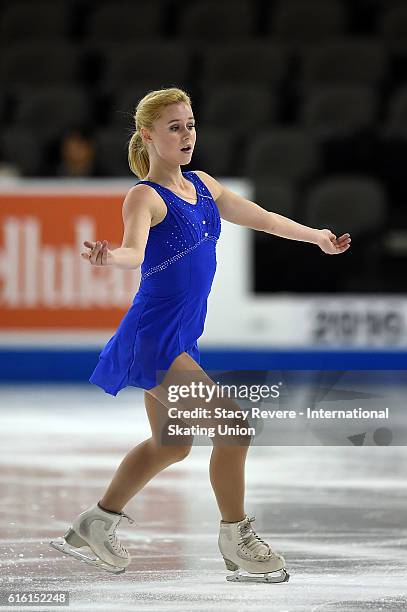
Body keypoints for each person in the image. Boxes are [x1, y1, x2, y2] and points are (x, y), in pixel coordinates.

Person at [50, 87, 351, 583]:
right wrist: (110, 257)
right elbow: (132, 250)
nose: (187, 135)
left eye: (190, 125)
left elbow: (262, 218)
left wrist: (315, 237)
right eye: (175, 127)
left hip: (178, 338)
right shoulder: (144, 196)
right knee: (234, 426)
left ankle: (94, 524)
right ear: (147, 136)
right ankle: (236, 538)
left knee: (170, 444)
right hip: (154, 339)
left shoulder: (204, 186)